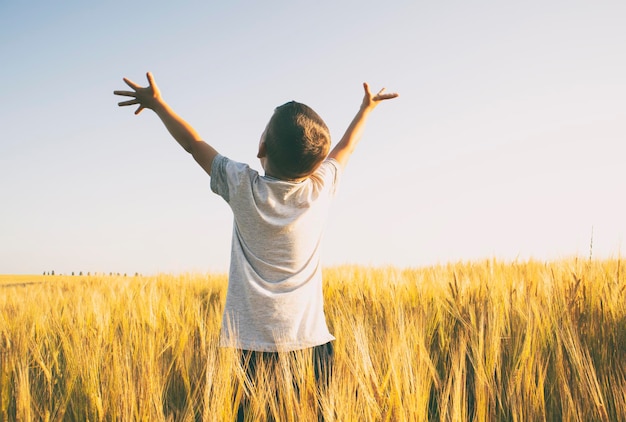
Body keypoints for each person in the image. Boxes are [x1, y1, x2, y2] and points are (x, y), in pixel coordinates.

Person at [114, 73, 398, 419]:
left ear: (261, 148)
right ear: (314, 166)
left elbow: (193, 144)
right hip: (310, 344)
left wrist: (158, 105)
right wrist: (366, 109)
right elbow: (345, 148)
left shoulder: (241, 186)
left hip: (248, 347)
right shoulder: (320, 190)